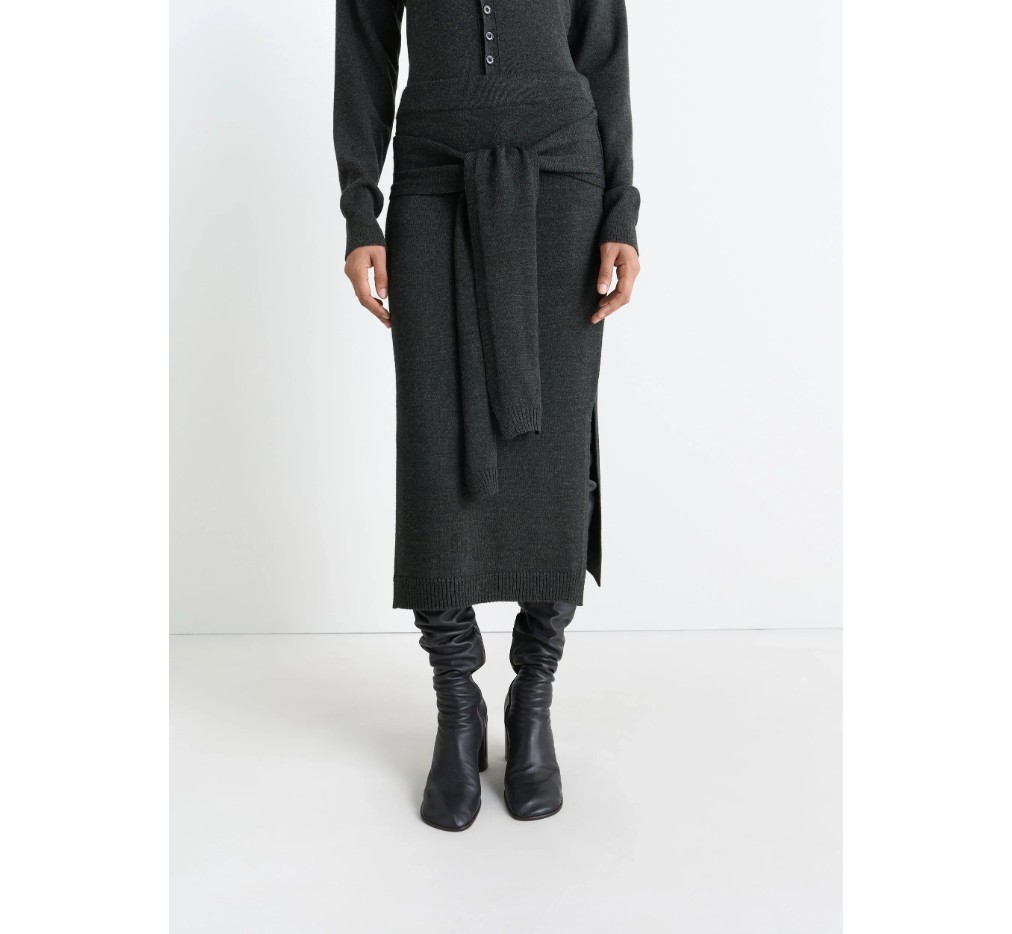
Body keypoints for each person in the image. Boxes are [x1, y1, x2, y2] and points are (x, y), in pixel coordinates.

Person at [333, 0, 641, 831]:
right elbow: (364, 49)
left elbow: (602, 51)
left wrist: (621, 207)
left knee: (557, 453)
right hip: (434, 178)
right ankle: (456, 701)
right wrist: (361, 211)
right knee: (435, 447)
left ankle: (533, 695)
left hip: (563, 178)